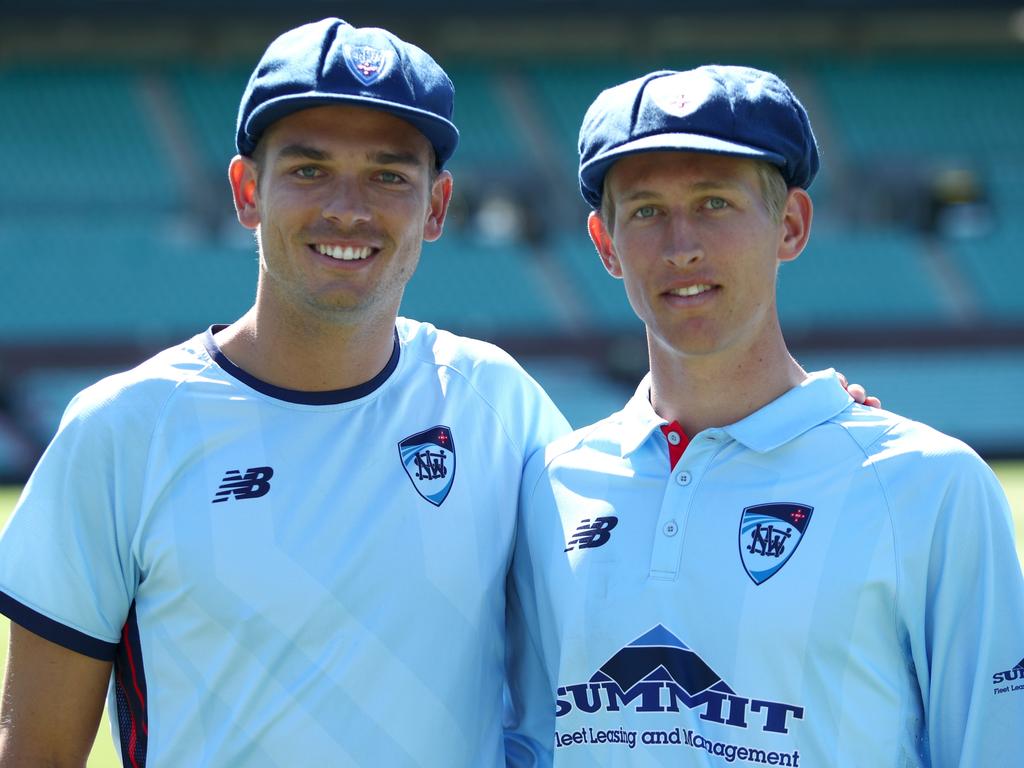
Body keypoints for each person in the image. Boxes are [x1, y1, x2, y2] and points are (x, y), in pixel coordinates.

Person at [0, 18, 571, 767]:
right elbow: (36, 747)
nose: (347, 208)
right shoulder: (123, 428)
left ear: (436, 207)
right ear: (246, 192)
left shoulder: (500, 404)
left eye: (389, 175)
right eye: (308, 169)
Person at [506, 65, 1024, 767]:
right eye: (647, 211)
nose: (681, 245)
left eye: (715, 203)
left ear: (791, 225)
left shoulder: (931, 488)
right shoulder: (550, 485)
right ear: (605, 244)